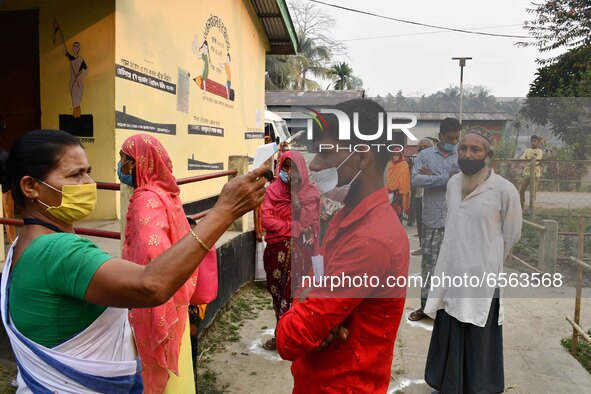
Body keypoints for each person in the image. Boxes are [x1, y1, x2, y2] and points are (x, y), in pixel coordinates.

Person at [0, 130, 265, 392]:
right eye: (75, 175)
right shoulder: (57, 252)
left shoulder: (24, 243)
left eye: (87, 171)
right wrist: (224, 211)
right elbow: (151, 284)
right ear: (30, 187)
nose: (89, 183)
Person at [276, 99, 409, 393]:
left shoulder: (370, 240)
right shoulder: (348, 215)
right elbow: (314, 281)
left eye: (325, 153)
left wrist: (307, 316)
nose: (313, 164)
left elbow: (289, 339)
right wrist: (315, 311)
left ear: (362, 158)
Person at [423, 126, 522, 393]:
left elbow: (512, 233)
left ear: (488, 155)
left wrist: (486, 257)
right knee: (450, 323)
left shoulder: (505, 190)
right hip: (451, 269)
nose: (467, 153)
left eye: (475, 149)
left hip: (482, 276)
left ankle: (478, 386)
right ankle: (447, 383)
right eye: (463, 148)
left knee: (477, 328)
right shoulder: (454, 183)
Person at [117, 134, 214, 393]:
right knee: (177, 369)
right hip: (176, 301)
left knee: (156, 369)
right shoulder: (167, 194)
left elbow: (151, 254)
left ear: (139, 163)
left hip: (154, 303)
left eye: (124, 159)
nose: (121, 166)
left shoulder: (144, 199)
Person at [261, 151, 319, 351]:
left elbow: (307, 223)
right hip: (274, 252)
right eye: (285, 167)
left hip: (300, 254)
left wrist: (295, 198)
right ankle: (283, 330)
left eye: (293, 168)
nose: (289, 172)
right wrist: (291, 228)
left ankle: (284, 336)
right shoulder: (272, 191)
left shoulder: (309, 195)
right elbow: (266, 219)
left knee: (293, 295)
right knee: (277, 295)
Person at [408, 118, 460, 321]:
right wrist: (446, 178)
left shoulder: (461, 155)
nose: (454, 141)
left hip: (455, 220)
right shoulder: (425, 155)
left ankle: (447, 308)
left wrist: (434, 177)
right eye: (450, 138)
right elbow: (416, 179)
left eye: (456, 138)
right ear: (440, 137)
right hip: (431, 219)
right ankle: (426, 307)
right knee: (429, 265)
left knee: (453, 265)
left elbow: (464, 182)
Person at [410, 138, 434, 256]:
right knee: (420, 222)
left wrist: (431, 176)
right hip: (419, 195)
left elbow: (441, 178)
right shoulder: (417, 160)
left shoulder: (436, 160)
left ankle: (430, 247)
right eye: (422, 147)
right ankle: (422, 246)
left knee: (431, 224)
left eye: (427, 147)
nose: (424, 149)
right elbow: (415, 178)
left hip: (432, 197)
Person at [61, 41, 88, 118]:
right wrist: (62, 42)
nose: (75, 48)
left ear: (79, 48)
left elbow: (86, 70)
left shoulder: (81, 59)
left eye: (77, 46)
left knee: (77, 101)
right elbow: (64, 51)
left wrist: (79, 77)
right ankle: (76, 116)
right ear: (72, 48)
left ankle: (77, 116)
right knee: (74, 101)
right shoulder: (71, 58)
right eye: (74, 46)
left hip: (78, 83)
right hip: (72, 83)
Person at [518, 135, 543, 210]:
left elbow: (537, 162)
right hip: (527, 174)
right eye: (532, 141)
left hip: (535, 174)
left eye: (535, 141)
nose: (533, 142)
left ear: (538, 142)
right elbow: (522, 158)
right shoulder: (527, 150)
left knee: (533, 192)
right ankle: (521, 205)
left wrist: (528, 161)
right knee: (521, 189)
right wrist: (530, 161)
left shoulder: (540, 151)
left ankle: (531, 207)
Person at [386, 151, 411, 222]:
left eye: (397, 155)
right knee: (391, 211)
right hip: (390, 191)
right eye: (394, 155)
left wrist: (401, 190)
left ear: (400, 156)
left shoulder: (404, 164)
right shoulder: (391, 164)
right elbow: (389, 177)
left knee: (398, 211)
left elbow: (405, 178)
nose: (395, 157)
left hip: (399, 192)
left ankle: (399, 226)